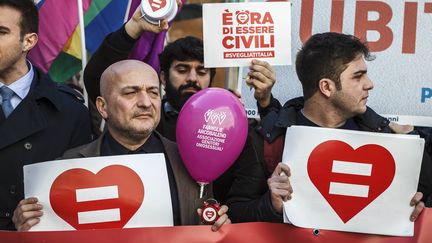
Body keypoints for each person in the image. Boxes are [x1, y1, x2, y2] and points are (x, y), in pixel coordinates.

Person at [83, 4, 287, 223]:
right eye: (182, 69)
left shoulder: (232, 131)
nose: (192, 78)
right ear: (162, 77)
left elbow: (244, 205)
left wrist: (264, 103)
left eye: (201, 71)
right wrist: (132, 29)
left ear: (211, 78)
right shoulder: (144, 120)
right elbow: (99, 80)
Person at [12, 60, 231, 231]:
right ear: (103, 107)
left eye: (153, 92)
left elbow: (205, 228)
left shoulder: (191, 160)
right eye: (131, 92)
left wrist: (216, 226)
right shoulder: (67, 167)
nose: (146, 102)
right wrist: (27, 226)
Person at [246, 32, 431, 221]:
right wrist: (270, 204)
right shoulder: (269, 140)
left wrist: (416, 210)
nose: (370, 84)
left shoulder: (388, 138)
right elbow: (237, 213)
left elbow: (418, 206)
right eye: (358, 76)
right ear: (327, 87)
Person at [0, 0, 92, 230]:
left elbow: (78, 197)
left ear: (28, 41)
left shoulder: (70, 111)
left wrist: (36, 220)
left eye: (1, 32)